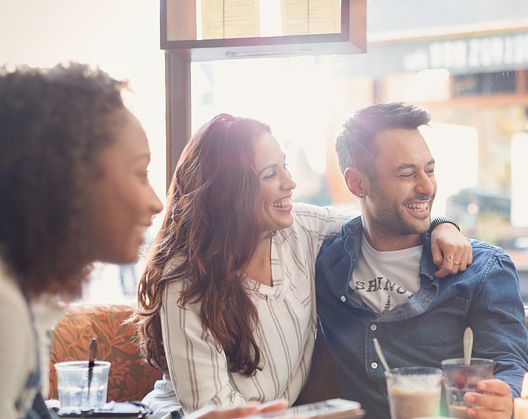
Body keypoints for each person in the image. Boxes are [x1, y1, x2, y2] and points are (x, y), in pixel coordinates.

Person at [134, 113, 471, 418]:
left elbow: (383, 217)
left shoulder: (302, 230)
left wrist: (442, 225)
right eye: (270, 174)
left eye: (285, 166)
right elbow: (214, 413)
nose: (289, 182)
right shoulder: (187, 278)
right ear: (229, 192)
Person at [0, 63, 282, 419]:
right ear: (67, 179)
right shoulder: (4, 307)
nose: (156, 201)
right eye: (140, 172)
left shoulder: (26, 296)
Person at [315, 103, 528, 419]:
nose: (427, 187)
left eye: (429, 170)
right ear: (357, 183)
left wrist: (505, 400)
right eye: (406, 174)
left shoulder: (481, 269)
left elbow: (510, 366)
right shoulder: (325, 260)